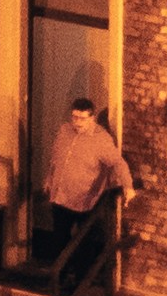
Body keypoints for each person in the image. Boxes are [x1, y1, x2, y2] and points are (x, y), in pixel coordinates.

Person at [36, 90, 136, 266]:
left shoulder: (101, 139)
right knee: (59, 238)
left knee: (83, 243)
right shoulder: (64, 131)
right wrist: (49, 180)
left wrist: (128, 186)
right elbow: (56, 159)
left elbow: (118, 163)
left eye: (82, 119)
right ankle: (61, 277)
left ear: (92, 118)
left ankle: (79, 280)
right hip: (60, 196)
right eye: (74, 117)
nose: (78, 122)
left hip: (84, 199)